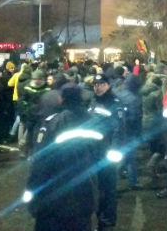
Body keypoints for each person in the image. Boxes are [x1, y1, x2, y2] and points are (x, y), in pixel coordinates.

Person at [26, 84, 101, 231]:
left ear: (62, 99)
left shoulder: (53, 124)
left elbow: (40, 165)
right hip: (84, 196)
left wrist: (34, 198)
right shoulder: (94, 122)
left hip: (55, 199)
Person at [88, 74, 123, 231]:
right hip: (93, 151)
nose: (98, 87)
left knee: (107, 188)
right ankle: (99, 218)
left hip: (106, 152)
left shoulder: (114, 103)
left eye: (101, 84)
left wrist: (114, 150)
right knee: (96, 188)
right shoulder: (93, 101)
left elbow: (119, 129)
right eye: (95, 84)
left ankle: (107, 221)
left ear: (108, 85)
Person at [19, 69, 51, 157]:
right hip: (31, 115)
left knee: (40, 134)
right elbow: (23, 100)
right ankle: (27, 151)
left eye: (37, 79)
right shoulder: (28, 87)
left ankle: (38, 151)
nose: (36, 81)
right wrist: (27, 110)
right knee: (30, 134)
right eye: (34, 79)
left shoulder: (47, 88)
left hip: (42, 116)